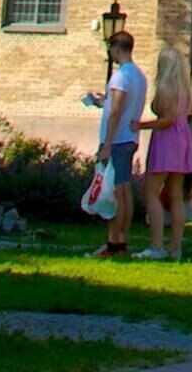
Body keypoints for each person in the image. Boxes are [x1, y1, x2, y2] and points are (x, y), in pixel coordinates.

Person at [82, 30, 148, 257]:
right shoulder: (139, 76)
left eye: (110, 49)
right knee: (125, 190)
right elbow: (116, 104)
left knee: (116, 193)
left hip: (117, 140)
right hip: (129, 138)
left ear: (117, 48)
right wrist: (103, 101)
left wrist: (106, 144)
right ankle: (122, 241)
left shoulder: (122, 76)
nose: (110, 53)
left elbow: (117, 111)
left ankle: (114, 243)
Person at [131, 46, 192, 261]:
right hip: (183, 139)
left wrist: (141, 125)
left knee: (151, 192)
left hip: (167, 140)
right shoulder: (185, 90)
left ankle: (157, 245)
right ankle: (175, 247)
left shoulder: (166, 89)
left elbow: (167, 120)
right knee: (176, 195)